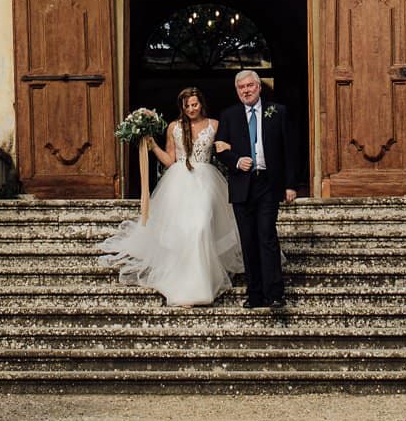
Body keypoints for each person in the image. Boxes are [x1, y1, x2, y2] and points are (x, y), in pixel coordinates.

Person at [96, 88, 243, 307]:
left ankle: (204, 283)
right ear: (182, 108)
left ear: (201, 103)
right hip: (179, 181)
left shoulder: (215, 124)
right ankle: (185, 288)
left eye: (195, 104)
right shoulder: (175, 127)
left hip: (206, 181)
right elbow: (169, 160)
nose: (192, 109)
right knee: (183, 231)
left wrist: (228, 148)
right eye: (187, 106)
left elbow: (224, 149)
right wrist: (151, 143)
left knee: (201, 227)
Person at [214, 68, 295, 308]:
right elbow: (220, 150)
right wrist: (237, 161)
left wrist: (291, 184)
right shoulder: (229, 116)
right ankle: (255, 293)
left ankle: (275, 293)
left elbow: (289, 150)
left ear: (259, 87)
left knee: (267, 236)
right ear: (237, 91)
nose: (246, 90)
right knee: (248, 241)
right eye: (241, 87)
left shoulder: (277, 112)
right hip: (242, 185)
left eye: (249, 86)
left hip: (268, 183)